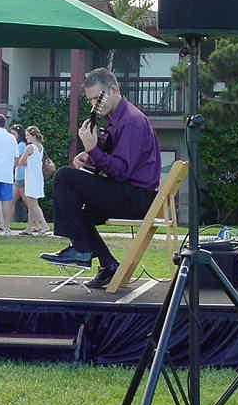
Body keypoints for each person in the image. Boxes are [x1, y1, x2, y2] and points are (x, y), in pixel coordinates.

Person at [40, 68, 161, 288]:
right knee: (77, 209)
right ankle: (108, 265)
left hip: (138, 198)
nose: (95, 105)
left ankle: (80, 249)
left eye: (98, 98)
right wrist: (90, 158)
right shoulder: (116, 120)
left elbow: (122, 171)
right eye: (90, 100)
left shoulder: (131, 121)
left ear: (114, 90)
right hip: (129, 193)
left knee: (64, 177)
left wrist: (93, 149)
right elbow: (116, 164)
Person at [17, 126, 49, 235]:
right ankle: (29, 228)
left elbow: (21, 161)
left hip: (31, 177)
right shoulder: (40, 146)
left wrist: (25, 162)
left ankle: (44, 225)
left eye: (28, 135)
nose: (26, 137)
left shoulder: (30, 147)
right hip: (37, 177)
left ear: (33, 136)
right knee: (31, 204)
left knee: (33, 204)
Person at [9, 124, 29, 231]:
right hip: (18, 177)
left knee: (29, 203)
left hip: (21, 177)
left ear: (19, 134)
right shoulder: (19, 145)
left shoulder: (21, 145)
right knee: (11, 201)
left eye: (13, 134)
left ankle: (38, 222)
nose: (12, 136)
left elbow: (18, 162)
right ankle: (6, 224)